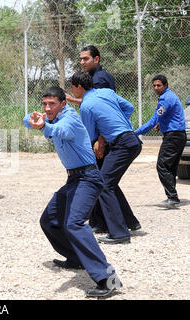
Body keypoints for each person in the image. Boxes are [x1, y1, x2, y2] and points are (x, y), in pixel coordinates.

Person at [23, 86, 122, 298]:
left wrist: (43, 127)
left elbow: (61, 131)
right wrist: (33, 118)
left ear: (63, 104)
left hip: (88, 178)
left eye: (52, 104)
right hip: (74, 179)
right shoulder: (51, 117)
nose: (47, 108)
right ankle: (76, 258)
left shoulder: (69, 119)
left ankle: (108, 279)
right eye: (44, 104)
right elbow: (28, 121)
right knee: (48, 220)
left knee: (75, 224)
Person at [70, 72, 142, 244]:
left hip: (122, 145)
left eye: (72, 87)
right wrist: (112, 127)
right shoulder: (107, 93)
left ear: (79, 86)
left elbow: (90, 135)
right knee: (109, 182)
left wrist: (99, 140)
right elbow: (129, 108)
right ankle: (130, 222)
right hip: (131, 140)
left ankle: (119, 233)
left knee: (104, 184)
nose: (71, 90)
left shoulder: (86, 106)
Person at [66, 45, 119, 233]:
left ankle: (106, 223)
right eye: (80, 59)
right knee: (104, 181)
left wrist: (101, 140)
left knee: (99, 181)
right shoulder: (94, 78)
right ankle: (120, 220)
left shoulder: (100, 78)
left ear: (97, 59)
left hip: (100, 138)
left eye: (86, 59)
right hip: (97, 136)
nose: (82, 62)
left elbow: (105, 109)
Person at [135, 75, 186, 208]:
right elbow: (170, 116)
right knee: (170, 167)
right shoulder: (170, 96)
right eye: (154, 86)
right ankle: (172, 198)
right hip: (179, 135)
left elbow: (153, 120)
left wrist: (135, 133)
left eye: (159, 85)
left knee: (162, 165)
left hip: (173, 137)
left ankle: (172, 198)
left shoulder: (165, 99)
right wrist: (161, 124)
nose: (156, 88)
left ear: (165, 85)